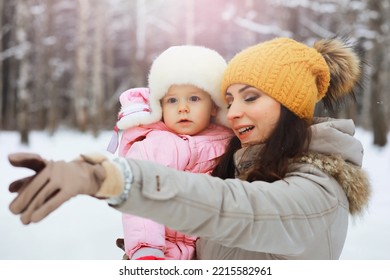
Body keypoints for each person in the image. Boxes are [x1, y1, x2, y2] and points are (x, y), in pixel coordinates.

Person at [8, 37, 371, 259]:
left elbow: (231, 208)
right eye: (228, 99)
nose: (235, 111)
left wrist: (111, 177)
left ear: (291, 104)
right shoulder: (249, 167)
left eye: (250, 97)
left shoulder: (318, 191)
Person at [106, 45, 234, 260]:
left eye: (194, 98)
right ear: (160, 106)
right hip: (164, 252)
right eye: (172, 100)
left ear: (213, 106)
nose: (182, 108)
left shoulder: (229, 143)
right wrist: (147, 250)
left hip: (214, 252)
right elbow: (141, 197)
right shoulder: (151, 145)